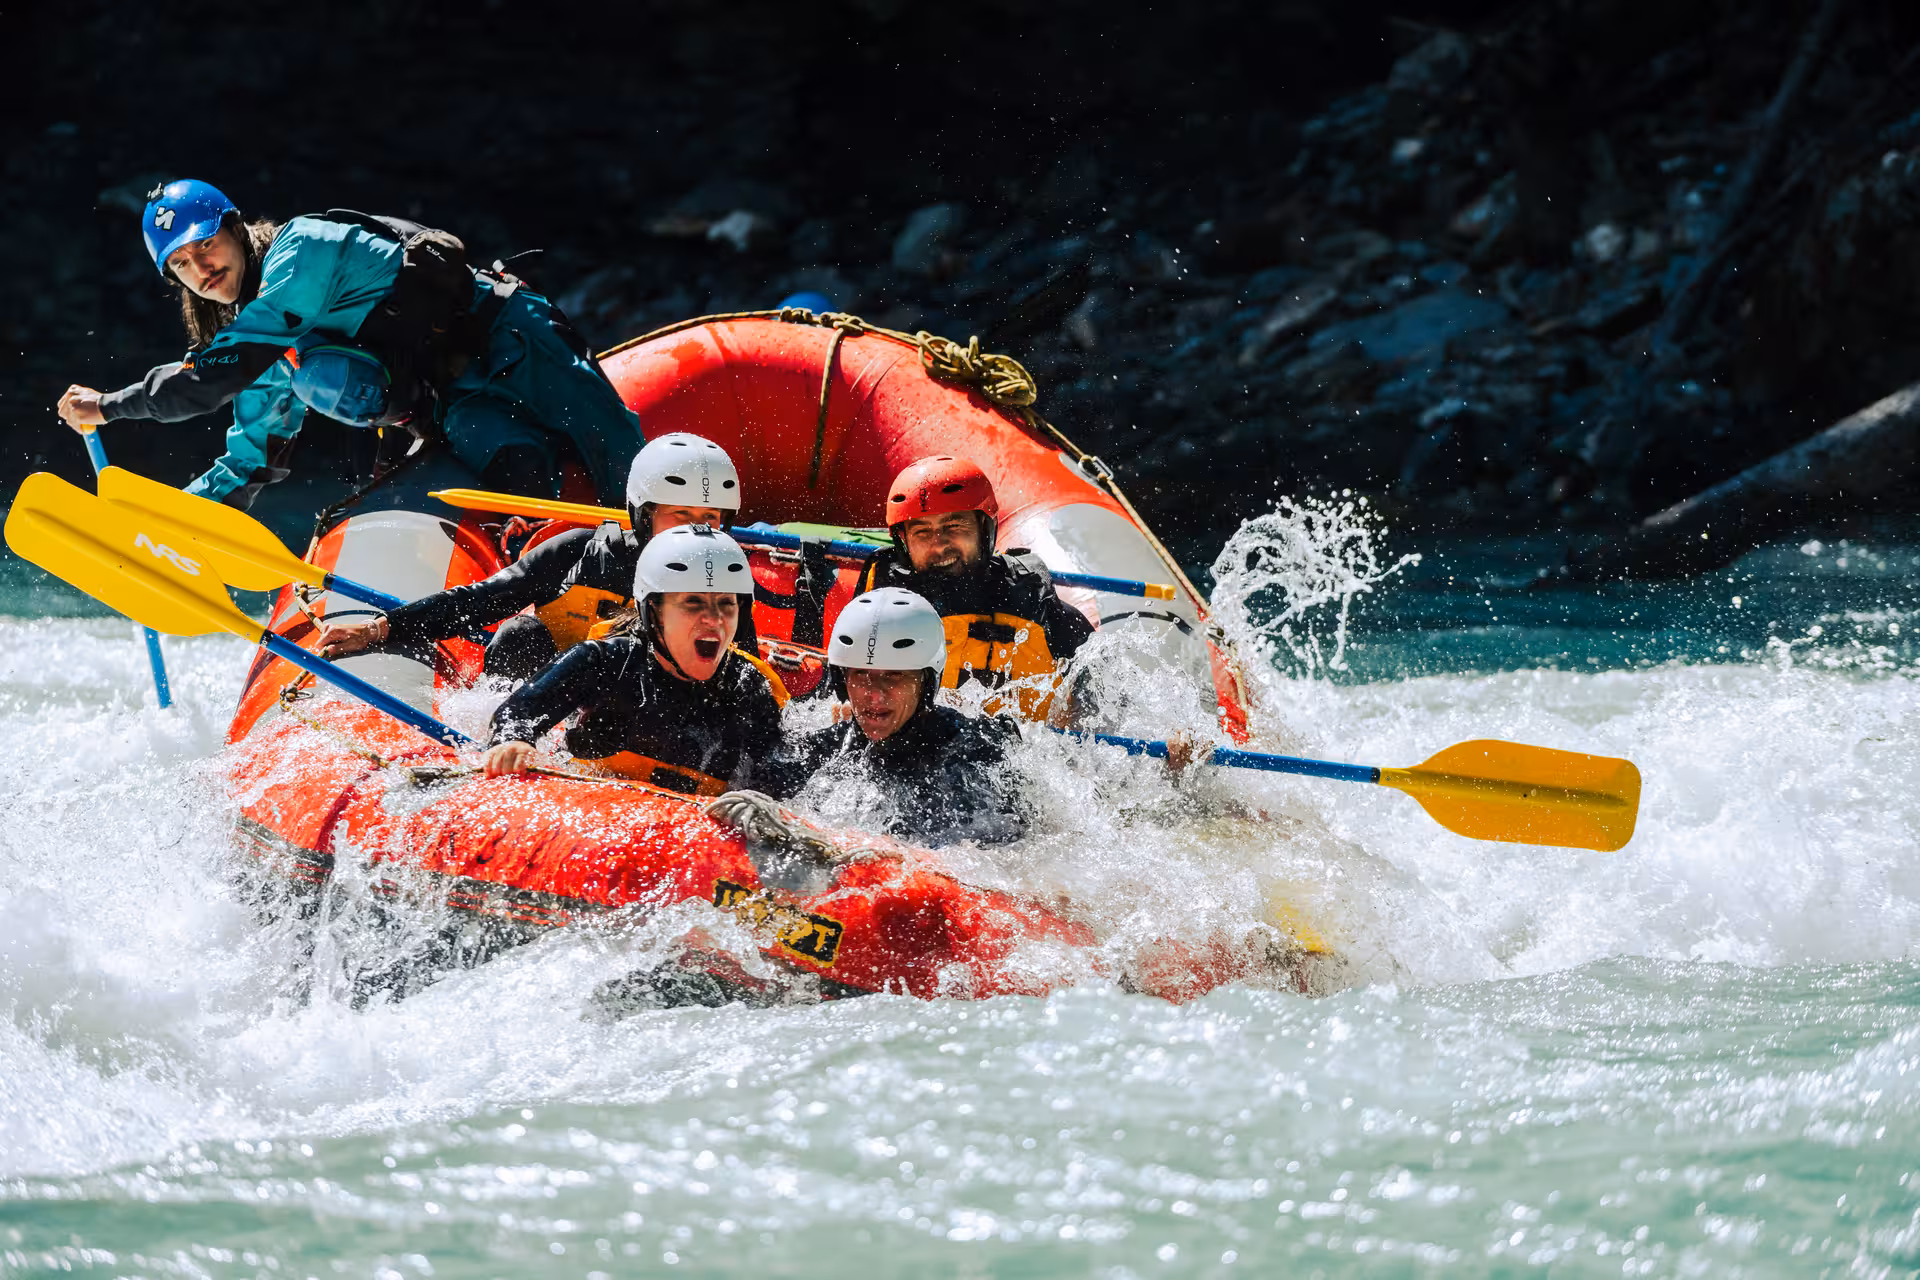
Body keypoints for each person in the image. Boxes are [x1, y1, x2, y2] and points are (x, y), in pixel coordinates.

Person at [54, 178, 641, 509]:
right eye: (180, 264)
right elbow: (250, 454)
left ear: (235, 227)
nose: (200, 267)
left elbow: (208, 382)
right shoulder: (268, 343)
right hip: (455, 399)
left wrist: (111, 404)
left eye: (204, 244)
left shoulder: (304, 253)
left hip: (513, 339)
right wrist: (178, 519)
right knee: (520, 481)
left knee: (624, 464)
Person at [318, 432, 743, 679]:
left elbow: (742, 674)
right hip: (555, 701)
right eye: (680, 514)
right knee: (519, 635)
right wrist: (379, 630)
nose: (696, 528)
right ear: (643, 513)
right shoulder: (579, 551)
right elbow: (480, 600)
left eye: (709, 517)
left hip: (643, 713)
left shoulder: (722, 581)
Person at [481, 526, 784, 795]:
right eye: (693, 602)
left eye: (726, 604)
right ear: (654, 612)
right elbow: (518, 713)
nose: (714, 619)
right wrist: (514, 741)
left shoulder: (748, 687)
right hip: (589, 813)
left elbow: (778, 771)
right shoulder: (602, 661)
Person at [760, 588, 1030, 846]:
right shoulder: (826, 749)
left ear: (925, 682)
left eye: (894, 676)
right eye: (861, 675)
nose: (874, 695)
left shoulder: (976, 751)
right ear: (842, 682)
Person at [854, 455, 1094, 720]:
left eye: (954, 526)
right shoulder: (875, 616)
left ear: (984, 528)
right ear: (904, 542)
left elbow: (1096, 718)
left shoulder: (1049, 613)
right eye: (922, 532)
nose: (939, 545)